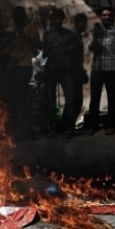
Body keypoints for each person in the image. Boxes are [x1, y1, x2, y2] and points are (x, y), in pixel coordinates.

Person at [84, 7, 115, 135]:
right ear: (100, 17)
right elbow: (90, 48)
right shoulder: (95, 31)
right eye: (104, 15)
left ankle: (111, 125)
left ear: (112, 17)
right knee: (94, 98)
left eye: (109, 15)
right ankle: (92, 125)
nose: (106, 17)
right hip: (97, 68)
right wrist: (96, 37)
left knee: (113, 98)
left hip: (112, 68)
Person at [41, 8, 81, 138]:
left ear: (62, 19)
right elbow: (43, 53)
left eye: (58, 17)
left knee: (70, 99)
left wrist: (71, 51)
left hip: (66, 70)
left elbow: (76, 53)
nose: (56, 20)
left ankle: (69, 127)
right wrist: (47, 51)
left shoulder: (69, 35)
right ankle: (53, 128)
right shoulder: (47, 35)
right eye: (54, 18)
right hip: (51, 70)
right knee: (51, 99)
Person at [9, 6, 42, 139]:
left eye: (20, 15)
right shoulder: (11, 30)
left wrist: (26, 37)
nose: (18, 18)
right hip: (15, 69)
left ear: (24, 16)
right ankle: (21, 130)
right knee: (18, 100)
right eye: (16, 15)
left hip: (29, 67)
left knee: (29, 100)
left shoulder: (31, 29)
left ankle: (30, 130)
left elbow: (40, 46)